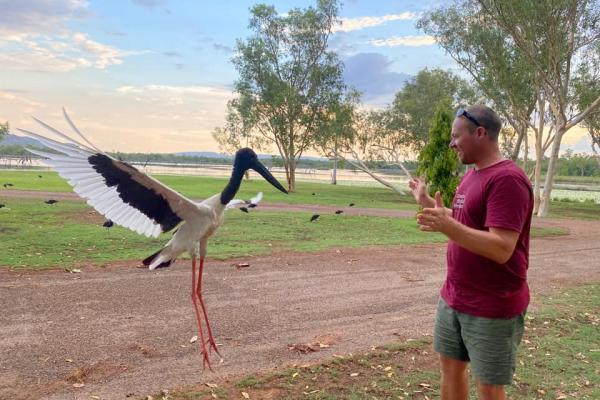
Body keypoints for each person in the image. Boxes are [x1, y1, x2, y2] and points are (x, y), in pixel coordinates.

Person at [410, 105, 533, 400]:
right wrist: (429, 203)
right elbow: (468, 220)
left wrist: (446, 227)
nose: (452, 144)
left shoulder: (507, 180)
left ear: (480, 133)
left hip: (492, 303)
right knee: (450, 369)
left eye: (456, 137)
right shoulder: (473, 175)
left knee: (488, 386)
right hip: (455, 296)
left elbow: (502, 247)